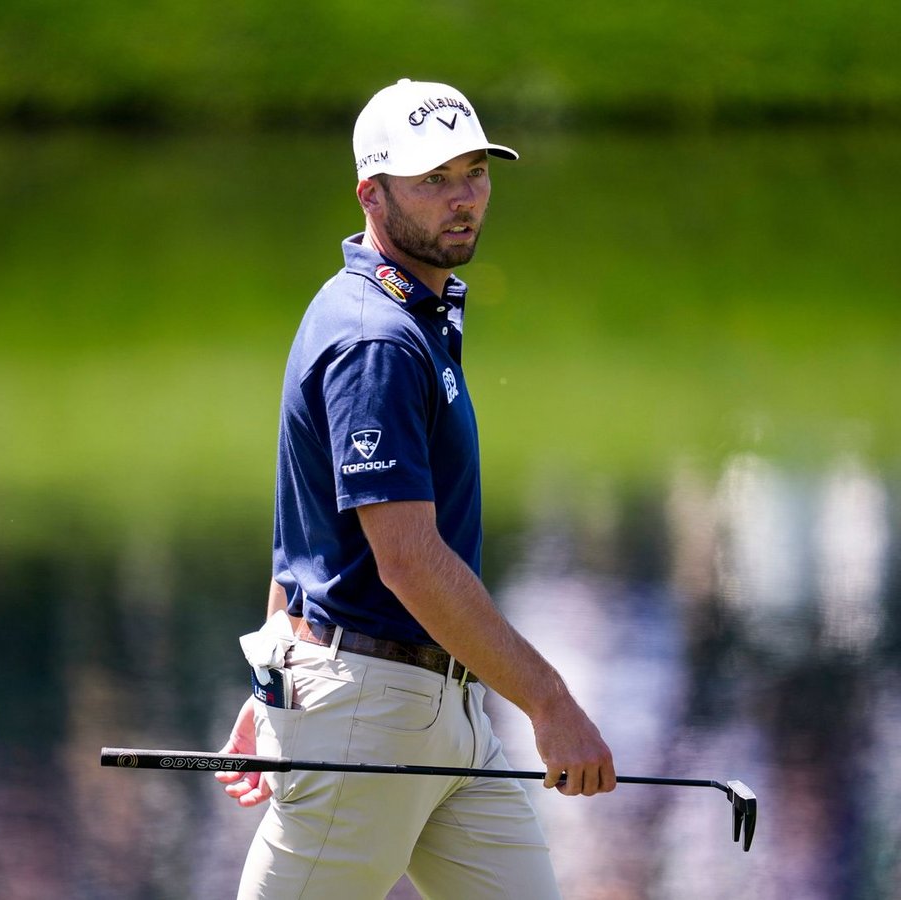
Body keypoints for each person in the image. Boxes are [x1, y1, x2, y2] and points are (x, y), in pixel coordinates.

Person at [215, 78, 616, 900]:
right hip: (370, 716)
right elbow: (405, 559)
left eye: (474, 171)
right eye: (434, 179)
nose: (464, 198)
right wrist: (550, 701)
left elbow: (307, 527)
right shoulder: (376, 341)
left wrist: (271, 683)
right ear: (373, 192)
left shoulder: (408, 315)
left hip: (446, 708)